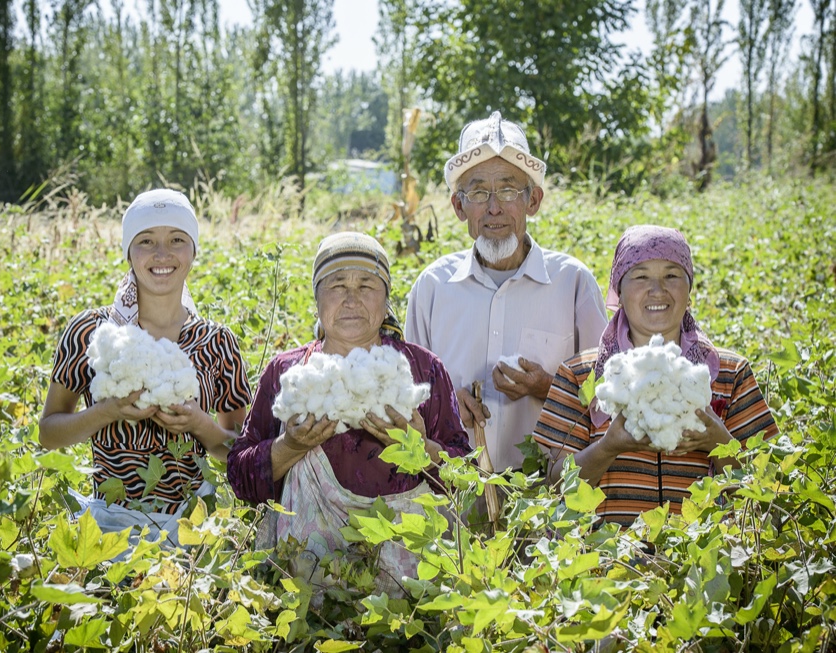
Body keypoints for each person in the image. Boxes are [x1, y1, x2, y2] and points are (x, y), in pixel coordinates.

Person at [227, 232, 471, 596]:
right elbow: (240, 477)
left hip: (408, 591)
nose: (352, 299)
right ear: (316, 301)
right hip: (307, 587)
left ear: (387, 299)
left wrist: (420, 449)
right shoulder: (287, 372)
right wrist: (289, 447)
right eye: (337, 285)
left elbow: (465, 478)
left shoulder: (422, 369)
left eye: (366, 285)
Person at [39, 188, 252, 547]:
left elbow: (240, 453)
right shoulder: (92, 332)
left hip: (193, 529)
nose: (162, 254)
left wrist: (199, 423)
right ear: (128, 252)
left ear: (193, 251)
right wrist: (107, 412)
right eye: (146, 241)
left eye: (177, 239)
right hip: (110, 527)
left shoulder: (218, 343)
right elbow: (49, 433)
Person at [532, 225, 779, 526]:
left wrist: (718, 442)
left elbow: (770, 483)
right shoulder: (581, 376)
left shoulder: (729, 374)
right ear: (619, 291)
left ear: (689, 291)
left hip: (703, 565)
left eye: (672, 276)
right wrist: (607, 448)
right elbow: (552, 485)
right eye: (640, 276)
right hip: (606, 564)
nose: (657, 290)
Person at [405, 111, 608, 473]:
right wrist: (444, 403)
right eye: (479, 191)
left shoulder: (573, 284)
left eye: (509, 189)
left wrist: (547, 387)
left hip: (547, 507)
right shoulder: (432, 289)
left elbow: (607, 400)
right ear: (458, 206)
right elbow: (404, 400)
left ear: (533, 201)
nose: (494, 207)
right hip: (452, 507)